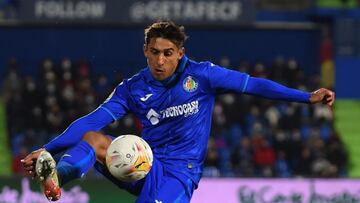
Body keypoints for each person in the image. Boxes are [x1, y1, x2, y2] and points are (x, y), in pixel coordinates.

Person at [21, 21, 335, 202]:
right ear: (145, 51)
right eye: (154, 53)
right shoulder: (132, 88)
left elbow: (254, 85)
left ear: (180, 53)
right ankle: (56, 177)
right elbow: (93, 120)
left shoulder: (203, 75)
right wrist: (47, 149)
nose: (160, 61)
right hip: (143, 164)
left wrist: (306, 97)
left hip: (180, 173)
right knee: (93, 137)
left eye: (168, 54)